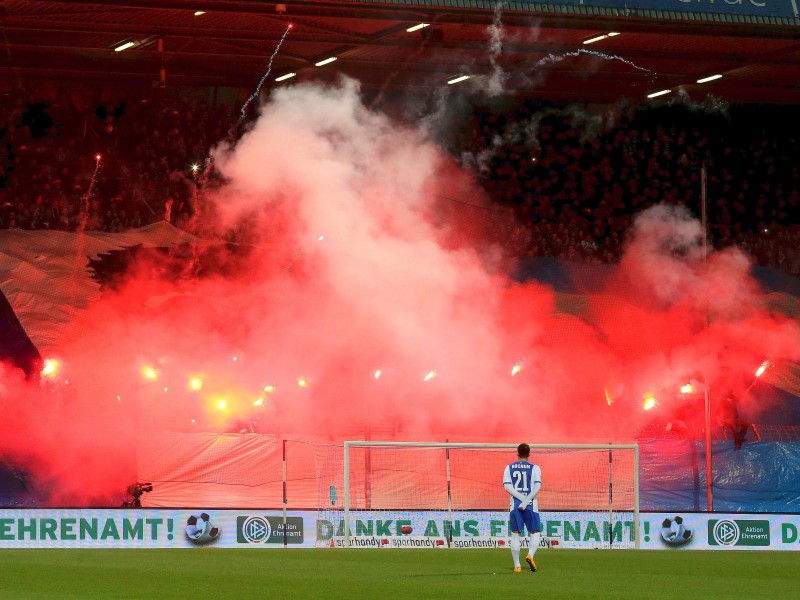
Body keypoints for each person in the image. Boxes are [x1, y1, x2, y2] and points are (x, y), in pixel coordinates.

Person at [502, 443, 542, 573]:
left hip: (515, 504)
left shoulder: (509, 468)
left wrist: (521, 500)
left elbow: (507, 487)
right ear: (529, 454)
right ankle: (530, 555)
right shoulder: (535, 468)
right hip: (531, 504)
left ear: (517, 453)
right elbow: (537, 487)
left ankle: (517, 566)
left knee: (515, 534)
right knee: (535, 532)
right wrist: (527, 500)